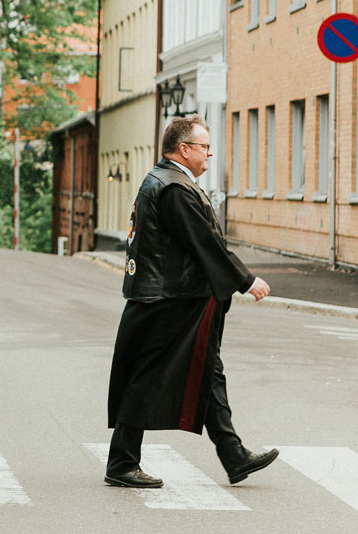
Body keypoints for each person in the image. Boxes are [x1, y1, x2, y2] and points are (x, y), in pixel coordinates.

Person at [105, 115, 278, 488]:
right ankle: (121, 462)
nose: (209, 153)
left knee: (207, 370)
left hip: (173, 296)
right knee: (145, 375)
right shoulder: (175, 188)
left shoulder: (165, 180)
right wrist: (246, 280)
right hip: (168, 299)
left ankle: (232, 454)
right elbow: (204, 242)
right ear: (184, 149)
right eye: (204, 147)